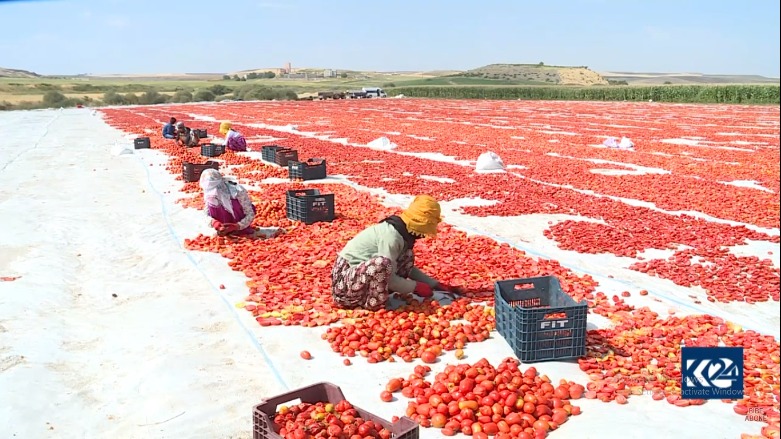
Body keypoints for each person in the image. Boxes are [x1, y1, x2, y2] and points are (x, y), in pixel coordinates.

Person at [331, 195, 460, 311]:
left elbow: (407, 268)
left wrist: (434, 284)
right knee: (382, 263)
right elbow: (387, 273)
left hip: (360, 277)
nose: (423, 235)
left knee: (407, 256)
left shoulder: (402, 232)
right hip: (344, 288)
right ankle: (371, 303)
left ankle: (376, 294)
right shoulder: (392, 237)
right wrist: (415, 287)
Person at [199, 169, 257, 236]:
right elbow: (205, 215)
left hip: (240, 226)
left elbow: (250, 214)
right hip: (220, 230)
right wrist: (214, 222)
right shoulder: (209, 196)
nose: (213, 194)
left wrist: (236, 226)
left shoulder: (237, 192)